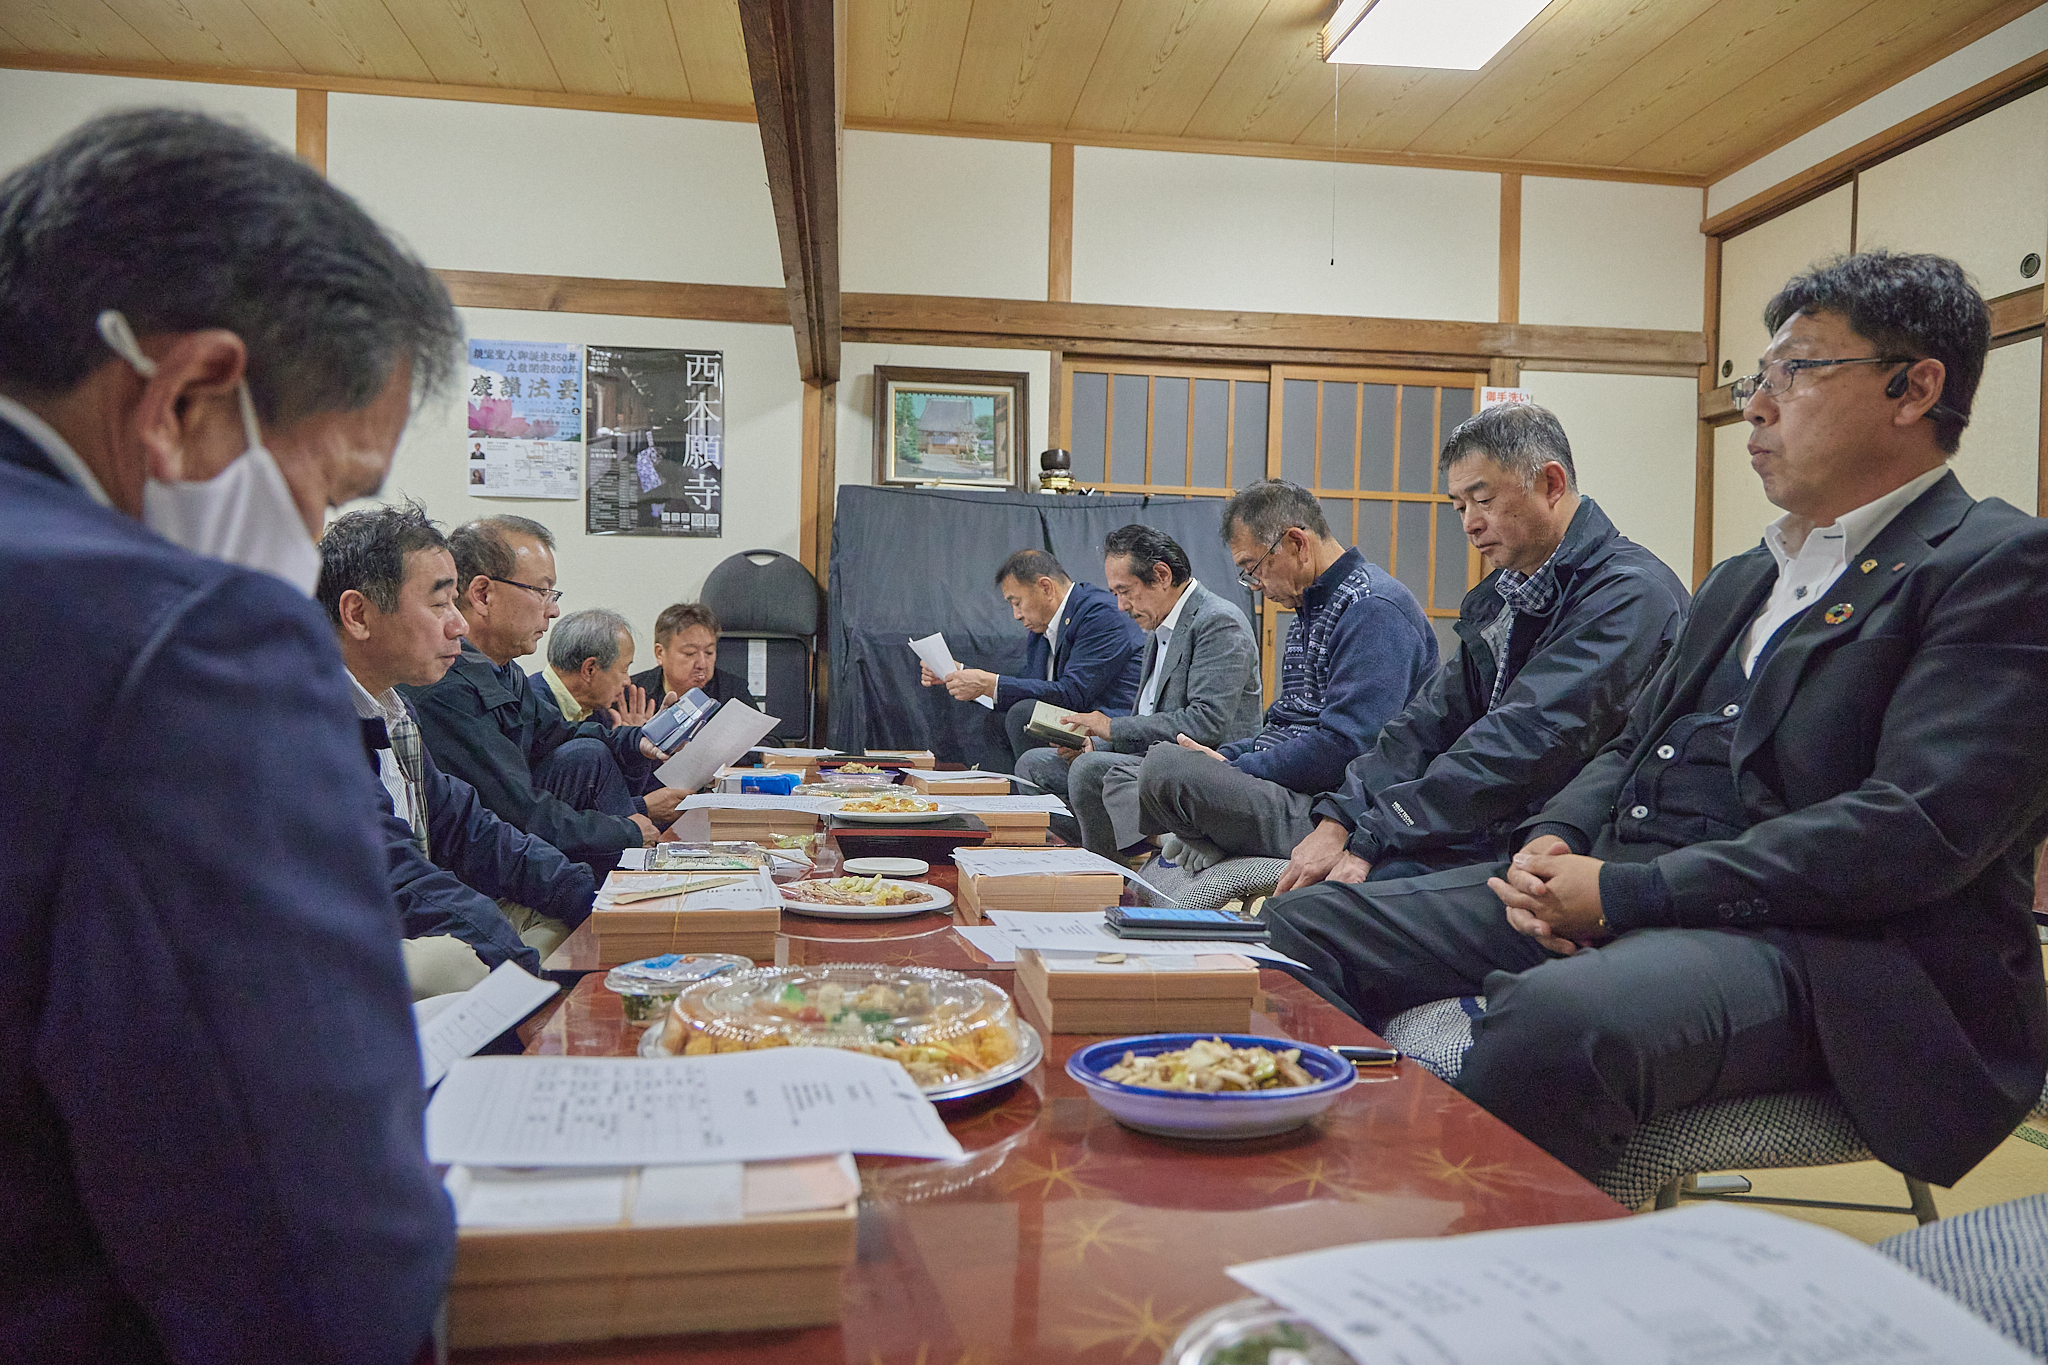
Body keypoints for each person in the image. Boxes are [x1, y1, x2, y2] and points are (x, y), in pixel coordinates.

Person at [1265, 251, 2048, 1192]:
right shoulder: (1746, 575)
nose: (1755, 405)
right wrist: (1551, 842)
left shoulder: (1996, 564)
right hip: (1635, 890)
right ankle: (1330, 1202)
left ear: (1914, 387)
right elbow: (1631, 743)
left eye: (1794, 372)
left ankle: (1507, 1301)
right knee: (1305, 927)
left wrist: (1629, 895)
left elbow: (1914, 832)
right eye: (1760, 377)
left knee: (1555, 1024)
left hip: (1840, 954)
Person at [0, 109, 456, 1363]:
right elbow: (315, 1263)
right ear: (188, 395)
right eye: (328, 489)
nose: (310, 545)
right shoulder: (187, 643)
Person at [1275, 404, 1688, 891]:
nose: (1469, 523)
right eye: (1459, 506)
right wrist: (1341, 818)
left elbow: (1521, 741)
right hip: (1482, 821)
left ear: (1552, 485)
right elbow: (1428, 721)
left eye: (1483, 500)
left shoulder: (1629, 595)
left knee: (1330, 905)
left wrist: (1375, 834)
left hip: (1566, 846)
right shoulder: (1508, 591)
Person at [320, 503, 599, 996]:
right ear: (358, 614)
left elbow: (466, 825)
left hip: (409, 908)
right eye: (439, 604)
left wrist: (595, 899)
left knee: (566, 916)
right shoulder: (309, 722)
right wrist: (525, 978)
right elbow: (398, 878)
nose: (460, 625)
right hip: (342, 944)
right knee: (458, 962)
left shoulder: (392, 709)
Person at [1137, 479, 1438, 870]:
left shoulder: (1373, 608)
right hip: (1293, 790)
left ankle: (1214, 832)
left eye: (1253, 569)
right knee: (1166, 761)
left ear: (1297, 543)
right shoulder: (1307, 610)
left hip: (1334, 812)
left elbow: (1345, 747)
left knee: (1165, 767)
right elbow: (1283, 725)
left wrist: (1232, 769)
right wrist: (1224, 757)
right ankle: (1214, 832)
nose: (1255, 585)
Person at [403, 515, 680, 878]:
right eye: (543, 591)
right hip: (485, 864)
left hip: (519, 841)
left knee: (587, 755)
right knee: (590, 763)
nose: (553, 609)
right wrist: (627, 827)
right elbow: (516, 811)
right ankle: (633, 890)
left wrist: (634, 740)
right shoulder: (446, 687)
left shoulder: (504, 671)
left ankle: (637, 884)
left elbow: (560, 735)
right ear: (483, 595)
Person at [1016, 523, 1263, 856]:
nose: (1120, 605)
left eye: (1125, 591)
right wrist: (1096, 741)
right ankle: (1129, 848)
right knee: (1035, 767)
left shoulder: (1218, 622)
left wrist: (1111, 726)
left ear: (1161, 575)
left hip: (1205, 769)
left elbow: (1206, 724)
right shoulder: (1159, 625)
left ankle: (1110, 877)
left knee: (1090, 772)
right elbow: (1149, 718)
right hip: (1151, 758)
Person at [920, 548, 1146, 772]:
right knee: (999, 719)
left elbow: (1073, 693)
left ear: (1046, 588)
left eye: (1017, 603)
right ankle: (1002, 800)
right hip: (1076, 719)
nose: (1016, 615)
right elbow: (1034, 688)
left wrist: (989, 684)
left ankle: (1042, 800)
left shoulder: (1099, 614)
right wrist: (962, 675)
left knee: (1024, 714)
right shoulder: (1042, 630)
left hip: (1111, 727)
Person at [537, 606, 659, 727]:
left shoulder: (598, 713)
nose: (627, 681)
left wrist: (630, 739)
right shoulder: (530, 711)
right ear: (590, 669)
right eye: (624, 670)